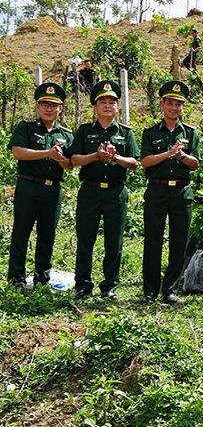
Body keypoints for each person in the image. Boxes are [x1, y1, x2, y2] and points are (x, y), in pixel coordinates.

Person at [69, 81, 139, 300]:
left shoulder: (125, 133)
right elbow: (74, 159)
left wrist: (116, 157)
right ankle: (82, 285)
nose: (107, 105)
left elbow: (135, 162)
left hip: (116, 193)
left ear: (118, 107)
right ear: (95, 107)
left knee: (114, 242)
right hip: (90, 191)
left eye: (112, 102)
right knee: (85, 239)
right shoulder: (83, 131)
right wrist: (95, 156)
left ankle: (109, 286)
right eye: (103, 102)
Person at [7, 82, 73, 289]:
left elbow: (70, 165)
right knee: (21, 232)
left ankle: (42, 279)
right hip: (28, 187)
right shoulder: (25, 127)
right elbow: (18, 151)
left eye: (53, 105)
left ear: (60, 108)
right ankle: (16, 280)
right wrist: (47, 153)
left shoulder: (66, 135)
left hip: (52, 189)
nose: (49, 108)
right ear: (37, 106)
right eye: (44, 104)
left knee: (47, 234)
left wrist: (61, 160)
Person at [140, 81, 200, 304]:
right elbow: (145, 161)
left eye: (179, 104)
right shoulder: (150, 133)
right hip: (157, 189)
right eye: (170, 103)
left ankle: (170, 289)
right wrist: (168, 154)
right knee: (153, 241)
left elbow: (195, 163)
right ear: (162, 104)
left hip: (182, 192)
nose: (174, 108)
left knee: (179, 242)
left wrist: (181, 156)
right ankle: (150, 290)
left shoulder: (191, 133)